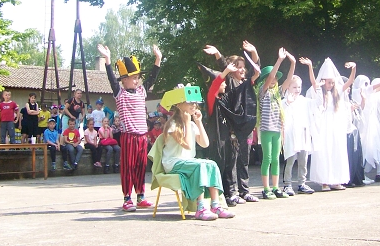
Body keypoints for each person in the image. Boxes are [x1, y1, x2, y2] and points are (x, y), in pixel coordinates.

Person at [97, 43, 162, 211]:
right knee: (128, 167)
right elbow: (112, 79)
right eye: (133, 77)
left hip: (142, 136)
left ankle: (141, 196)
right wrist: (108, 59)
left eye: (138, 77)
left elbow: (152, 78)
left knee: (141, 165)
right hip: (129, 136)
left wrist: (158, 59)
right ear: (124, 80)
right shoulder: (120, 93)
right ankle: (127, 198)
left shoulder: (141, 91)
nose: (137, 80)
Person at [160, 89, 234, 220]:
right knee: (199, 166)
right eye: (189, 102)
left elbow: (205, 144)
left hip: (187, 162)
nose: (194, 105)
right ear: (179, 104)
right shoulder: (173, 124)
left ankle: (215, 205)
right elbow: (188, 145)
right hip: (173, 163)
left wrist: (198, 122)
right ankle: (200, 208)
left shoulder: (192, 124)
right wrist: (187, 123)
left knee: (211, 164)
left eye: (195, 102)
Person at [204, 41, 261, 203]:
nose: (242, 69)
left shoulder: (246, 83)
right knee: (232, 161)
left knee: (244, 159)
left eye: (243, 67)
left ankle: (245, 191)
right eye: (239, 67)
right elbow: (224, 69)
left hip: (246, 126)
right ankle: (232, 192)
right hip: (233, 128)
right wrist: (217, 54)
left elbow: (257, 70)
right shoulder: (230, 83)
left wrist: (254, 52)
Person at [306, 57, 356, 191]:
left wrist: (354, 68)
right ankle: (324, 181)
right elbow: (313, 82)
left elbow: (350, 81)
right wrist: (310, 66)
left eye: (332, 83)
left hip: (336, 125)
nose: (331, 85)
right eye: (329, 83)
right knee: (325, 151)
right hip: (323, 125)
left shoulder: (337, 91)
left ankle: (336, 180)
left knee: (336, 151)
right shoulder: (319, 91)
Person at [257, 47, 292, 199]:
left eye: (276, 79)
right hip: (266, 129)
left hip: (277, 130)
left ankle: (276, 187)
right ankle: (266, 189)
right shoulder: (262, 91)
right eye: (271, 78)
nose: (273, 80)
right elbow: (271, 76)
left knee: (276, 159)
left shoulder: (278, 93)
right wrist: (279, 60)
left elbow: (288, 80)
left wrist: (293, 63)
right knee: (267, 158)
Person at [282, 56, 316, 195]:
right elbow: (282, 114)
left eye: (299, 87)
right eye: (294, 87)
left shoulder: (304, 100)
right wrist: (288, 103)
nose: (297, 89)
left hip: (303, 134)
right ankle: (287, 184)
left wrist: (310, 67)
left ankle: (302, 183)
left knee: (303, 160)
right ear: (288, 87)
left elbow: (317, 99)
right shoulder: (284, 101)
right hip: (291, 135)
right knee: (290, 160)